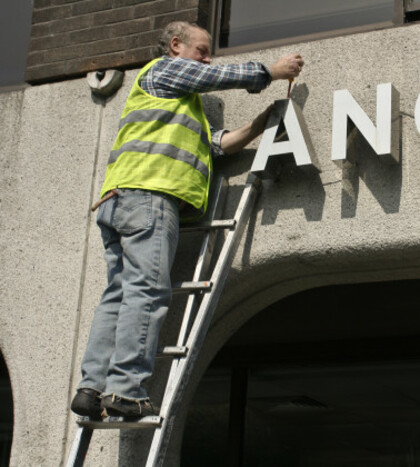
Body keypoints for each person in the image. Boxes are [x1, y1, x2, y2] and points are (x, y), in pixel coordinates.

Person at [70, 21, 303, 418]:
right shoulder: (163, 69)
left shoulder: (175, 104)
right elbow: (215, 75)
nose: (207, 58)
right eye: (202, 49)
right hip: (150, 197)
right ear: (175, 46)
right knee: (146, 292)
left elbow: (216, 144)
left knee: (119, 294)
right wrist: (270, 71)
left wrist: (256, 125)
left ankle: (91, 389)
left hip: (120, 200)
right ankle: (126, 391)